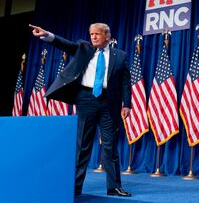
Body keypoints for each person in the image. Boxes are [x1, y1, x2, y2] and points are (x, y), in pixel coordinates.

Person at [29, 23, 132, 197]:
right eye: (91, 34)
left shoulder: (120, 56)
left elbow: (125, 82)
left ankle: (113, 187)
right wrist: (47, 35)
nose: (93, 37)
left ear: (107, 36)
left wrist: (127, 104)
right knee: (82, 146)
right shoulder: (84, 48)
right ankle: (75, 187)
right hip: (86, 99)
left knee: (110, 146)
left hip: (109, 103)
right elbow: (65, 44)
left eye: (97, 34)